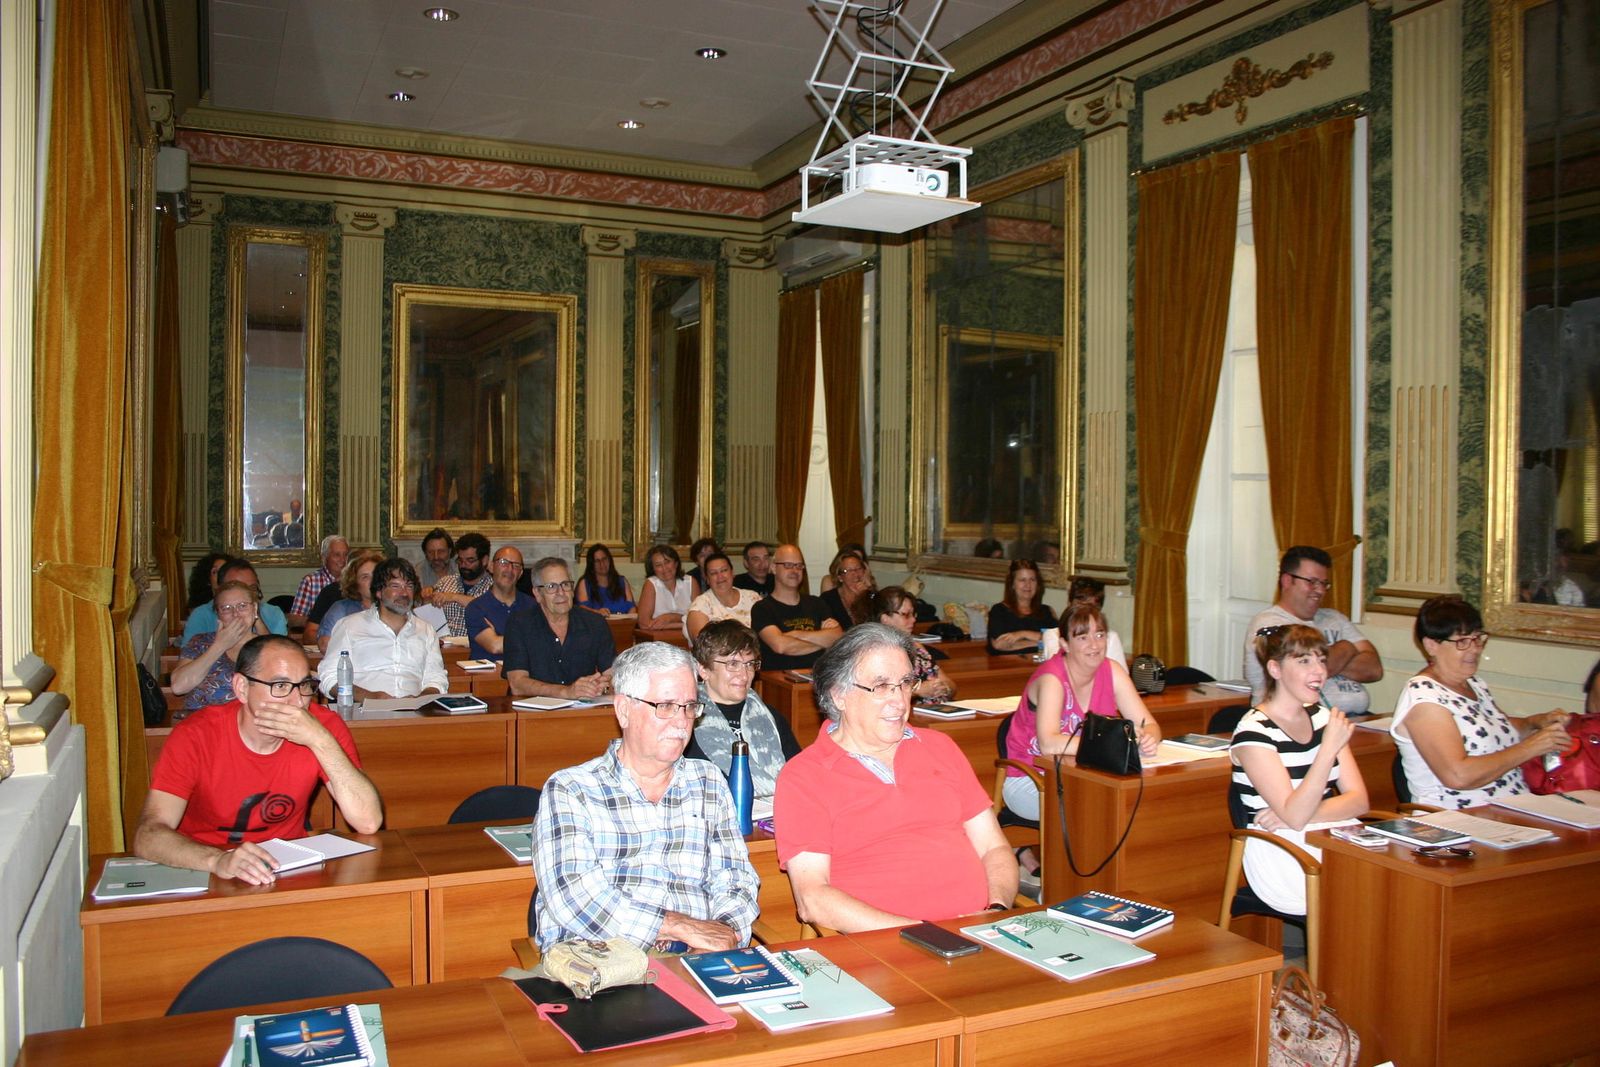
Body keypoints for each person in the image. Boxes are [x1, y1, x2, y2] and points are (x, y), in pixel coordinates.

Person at [774, 624, 1018, 932]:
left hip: (979, 932)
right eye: (881, 687)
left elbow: (994, 848)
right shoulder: (804, 776)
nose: (900, 701)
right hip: (886, 948)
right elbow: (813, 898)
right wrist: (925, 934)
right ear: (838, 695)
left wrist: (995, 909)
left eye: (905, 683)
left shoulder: (940, 747)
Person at [531, 641, 760, 951]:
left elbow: (736, 879)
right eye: (665, 706)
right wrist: (680, 928)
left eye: (690, 706)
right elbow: (576, 900)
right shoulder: (572, 790)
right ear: (624, 710)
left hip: (697, 956)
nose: (681, 722)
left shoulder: (708, 783)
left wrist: (724, 930)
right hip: (602, 962)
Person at [133, 636, 383, 885]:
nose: (297, 703)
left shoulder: (322, 727)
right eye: (281, 686)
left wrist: (320, 740)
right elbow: (149, 835)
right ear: (241, 688)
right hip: (204, 866)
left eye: (304, 685)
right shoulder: (196, 735)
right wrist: (217, 860)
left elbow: (368, 822)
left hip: (286, 867)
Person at [1230, 624, 1370, 915]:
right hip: (1280, 852)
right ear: (1275, 669)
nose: (1318, 670)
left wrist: (1303, 814)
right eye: (1304, 661)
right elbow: (1293, 816)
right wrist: (1327, 750)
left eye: (1321, 659)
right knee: (1372, 888)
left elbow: (1359, 800)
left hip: (1323, 834)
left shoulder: (1322, 718)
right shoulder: (1253, 731)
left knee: (1401, 879)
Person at [1391, 595, 1572, 809]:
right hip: (1457, 817)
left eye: (1478, 639)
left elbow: (1496, 729)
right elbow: (1458, 776)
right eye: (1462, 642)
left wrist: (1536, 722)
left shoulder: (1473, 684)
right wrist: (1530, 748)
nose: (1475, 649)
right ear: (1431, 645)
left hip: (1509, 807)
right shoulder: (1424, 698)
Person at [1001, 603, 1161, 821]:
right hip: (1031, 778)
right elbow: (1049, 744)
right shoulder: (1051, 679)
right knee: (1096, 806)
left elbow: (1149, 724)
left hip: (1085, 774)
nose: (1094, 645)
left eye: (1100, 634)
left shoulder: (1113, 671)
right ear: (1064, 644)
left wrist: (1148, 738)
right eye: (1083, 637)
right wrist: (1114, 745)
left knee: (1137, 801)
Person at [1243, 546, 1383, 714]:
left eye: (1324, 584)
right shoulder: (1268, 625)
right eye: (1312, 582)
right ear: (1287, 581)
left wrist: (1330, 659)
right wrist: (1348, 647)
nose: (1320, 590)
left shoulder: (1334, 618)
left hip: (1357, 720)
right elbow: (1313, 671)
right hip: (1296, 721)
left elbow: (1374, 669)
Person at [685, 621, 802, 810]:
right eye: (732, 664)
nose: (744, 674)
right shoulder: (688, 720)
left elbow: (800, 775)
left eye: (750, 664)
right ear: (703, 669)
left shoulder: (772, 717)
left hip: (779, 815)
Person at [319, 557, 448, 699]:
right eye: (395, 586)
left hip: (414, 713)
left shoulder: (426, 630)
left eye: (409, 586)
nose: (404, 593)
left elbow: (436, 678)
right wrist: (371, 697)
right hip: (365, 711)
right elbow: (330, 677)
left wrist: (419, 700)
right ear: (379, 592)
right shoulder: (350, 626)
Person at [503, 557, 616, 700]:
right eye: (551, 587)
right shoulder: (519, 625)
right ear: (538, 594)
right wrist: (566, 692)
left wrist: (604, 686)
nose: (561, 592)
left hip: (583, 710)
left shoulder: (595, 623)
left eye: (565, 584)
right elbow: (517, 684)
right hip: (533, 713)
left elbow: (613, 674)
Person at [170, 580, 270, 718]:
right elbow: (178, 687)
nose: (236, 614)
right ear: (218, 614)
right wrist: (219, 646)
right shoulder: (201, 642)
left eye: (242, 606)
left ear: (254, 609)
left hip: (252, 725)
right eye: (227, 608)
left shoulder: (267, 646)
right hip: (203, 724)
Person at [750, 543, 843, 672]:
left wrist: (795, 635)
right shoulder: (762, 608)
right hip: (780, 681)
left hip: (819, 676)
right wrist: (823, 642)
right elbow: (781, 646)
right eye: (788, 565)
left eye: (799, 566)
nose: (794, 571)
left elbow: (838, 637)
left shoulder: (817, 603)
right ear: (773, 568)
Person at [872, 585, 955, 702]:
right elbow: (878, 693)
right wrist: (917, 690)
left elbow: (950, 684)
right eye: (906, 615)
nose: (913, 620)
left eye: (913, 614)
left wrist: (944, 687)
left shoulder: (917, 647)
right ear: (885, 618)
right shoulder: (874, 653)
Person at [181, 558, 290, 644]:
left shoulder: (273, 614)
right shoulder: (201, 615)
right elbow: (188, 659)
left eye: (252, 588)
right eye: (239, 589)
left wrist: (257, 619)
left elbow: (277, 657)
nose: (248, 595)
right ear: (221, 589)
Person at [465, 546, 534, 661]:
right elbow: (495, 646)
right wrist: (530, 640)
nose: (509, 569)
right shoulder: (476, 608)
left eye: (516, 566)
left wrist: (500, 638)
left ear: (521, 573)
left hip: (525, 675)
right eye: (503, 562)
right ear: (491, 567)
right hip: (486, 677)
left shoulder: (533, 606)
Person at [309, 548, 384, 650]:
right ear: (355, 583)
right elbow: (324, 645)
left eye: (376, 575)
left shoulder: (394, 608)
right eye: (365, 577)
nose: (373, 581)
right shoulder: (341, 609)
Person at [686, 552, 761, 640]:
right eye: (713, 573)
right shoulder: (700, 605)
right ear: (707, 579)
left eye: (724, 570)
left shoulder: (752, 597)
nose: (720, 576)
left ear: (732, 573)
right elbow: (702, 644)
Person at [986, 559, 1056, 654]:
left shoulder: (1046, 611)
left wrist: (1021, 634)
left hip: (1041, 666)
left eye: (1032, 580)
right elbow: (999, 644)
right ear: (1012, 585)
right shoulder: (999, 610)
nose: (1028, 585)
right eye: (1022, 580)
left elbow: (1058, 639)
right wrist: (1040, 641)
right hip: (1007, 666)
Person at [430, 531, 493, 637]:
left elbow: (485, 607)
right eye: (460, 560)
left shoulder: (494, 587)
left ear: (484, 560)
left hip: (476, 647)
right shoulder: (444, 582)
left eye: (470, 560)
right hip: (443, 646)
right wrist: (427, 599)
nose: (464, 565)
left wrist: (454, 597)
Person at [288, 534, 349, 629]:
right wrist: (321, 621)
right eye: (337, 555)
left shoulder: (354, 581)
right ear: (324, 557)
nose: (342, 560)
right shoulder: (311, 581)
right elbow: (295, 619)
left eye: (345, 555)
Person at [1066, 576, 1127, 667]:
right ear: (1070, 604)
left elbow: (1121, 675)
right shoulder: (1054, 635)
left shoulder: (1111, 638)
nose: (1085, 611)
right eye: (1080, 605)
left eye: (1091, 607)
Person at [638, 543, 693, 632]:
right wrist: (684, 623)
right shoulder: (651, 584)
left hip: (689, 639)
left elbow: (700, 619)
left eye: (667, 562)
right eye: (658, 565)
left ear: (676, 563)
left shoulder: (690, 582)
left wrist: (672, 617)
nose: (664, 568)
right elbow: (644, 624)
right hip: (658, 640)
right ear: (653, 569)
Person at [819, 549, 873, 629]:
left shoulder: (871, 597)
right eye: (849, 570)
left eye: (858, 569)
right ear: (840, 577)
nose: (855, 574)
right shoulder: (827, 599)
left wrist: (864, 597)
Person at [575, 542, 634, 615]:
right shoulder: (584, 583)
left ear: (609, 560)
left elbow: (632, 608)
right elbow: (582, 609)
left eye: (604, 559)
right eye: (597, 561)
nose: (602, 564)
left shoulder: (622, 581)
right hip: (595, 624)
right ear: (591, 564)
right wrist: (598, 612)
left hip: (622, 624)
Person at [419, 527, 454, 598]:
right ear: (425, 553)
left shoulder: (460, 569)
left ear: (449, 551)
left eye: (441, 551)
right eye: (430, 552)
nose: (436, 557)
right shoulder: (417, 572)